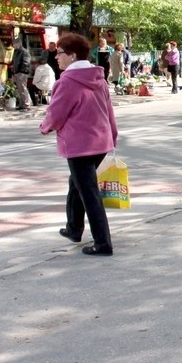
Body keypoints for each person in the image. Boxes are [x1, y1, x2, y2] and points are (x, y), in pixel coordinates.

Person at [40, 33, 117, 256]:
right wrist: (112, 135)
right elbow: (108, 111)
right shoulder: (98, 78)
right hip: (100, 142)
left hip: (79, 146)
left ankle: (103, 243)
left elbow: (56, 114)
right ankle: (74, 228)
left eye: (60, 53)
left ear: (72, 55)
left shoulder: (67, 82)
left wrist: (45, 127)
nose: (57, 57)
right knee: (77, 184)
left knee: (89, 192)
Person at [11, 40, 32, 111]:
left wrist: (22, 71)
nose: (13, 46)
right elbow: (14, 62)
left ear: (18, 44)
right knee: (19, 89)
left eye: (14, 44)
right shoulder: (16, 52)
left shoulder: (24, 52)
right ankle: (22, 104)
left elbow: (26, 63)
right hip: (17, 72)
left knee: (23, 89)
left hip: (22, 73)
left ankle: (26, 105)